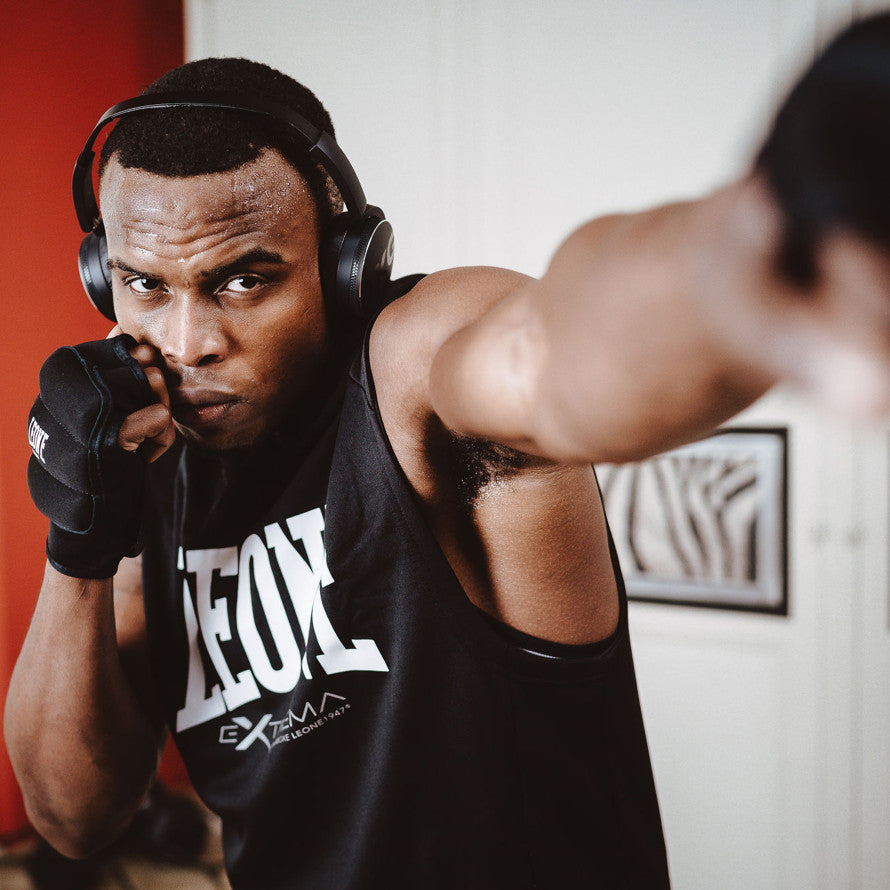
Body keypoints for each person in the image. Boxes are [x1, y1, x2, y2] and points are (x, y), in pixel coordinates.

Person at [7, 12, 890, 889]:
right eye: (145, 285)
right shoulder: (152, 458)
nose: (188, 342)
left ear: (345, 263)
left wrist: (764, 241)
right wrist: (79, 536)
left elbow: (543, 354)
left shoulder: (412, 370)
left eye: (244, 280)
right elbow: (74, 817)